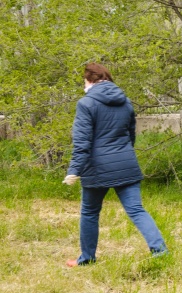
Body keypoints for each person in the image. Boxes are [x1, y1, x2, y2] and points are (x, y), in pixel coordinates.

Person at [63, 63, 169, 267]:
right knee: (137, 210)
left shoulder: (86, 104)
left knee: (90, 212)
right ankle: (160, 251)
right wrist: (122, 155)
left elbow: (82, 142)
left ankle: (87, 258)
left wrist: (74, 170)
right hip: (126, 163)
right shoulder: (125, 102)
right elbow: (131, 135)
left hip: (97, 168)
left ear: (89, 80)